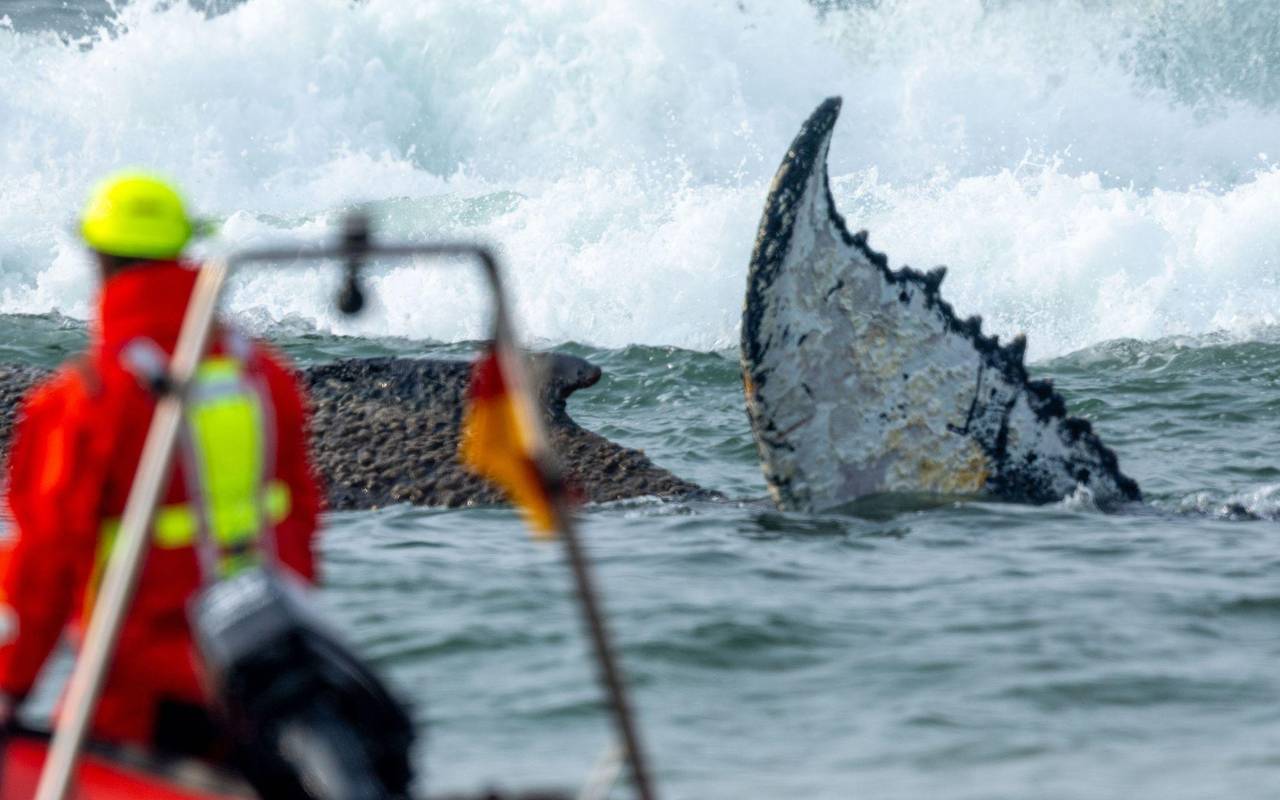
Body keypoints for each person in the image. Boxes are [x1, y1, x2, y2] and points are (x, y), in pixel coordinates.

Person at [0, 172, 322, 756]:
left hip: (139, 691)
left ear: (98, 260)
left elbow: (43, 564)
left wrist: (10, 687)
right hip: (265, 675)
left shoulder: (86, 398)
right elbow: (300, 518)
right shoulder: (263, 377)